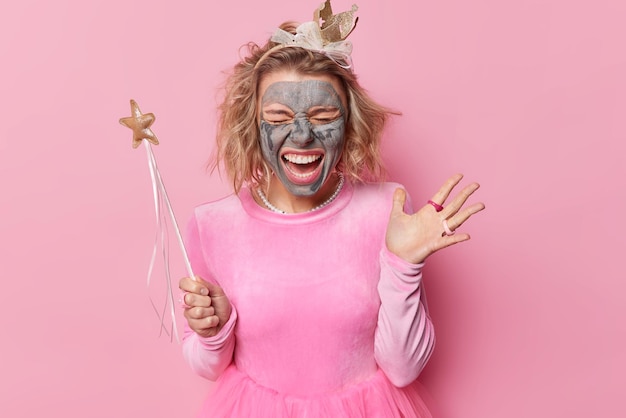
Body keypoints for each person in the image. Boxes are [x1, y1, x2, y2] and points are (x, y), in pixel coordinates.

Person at [178, 1, 484, 416]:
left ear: (350, 122)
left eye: (323, 115)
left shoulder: (386, 211)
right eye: (279, 115)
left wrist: (403, 266)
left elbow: (403, 368)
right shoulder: (213, 225)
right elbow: (207, 365)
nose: (302, 135)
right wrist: (214, 331)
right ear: (252, 124)